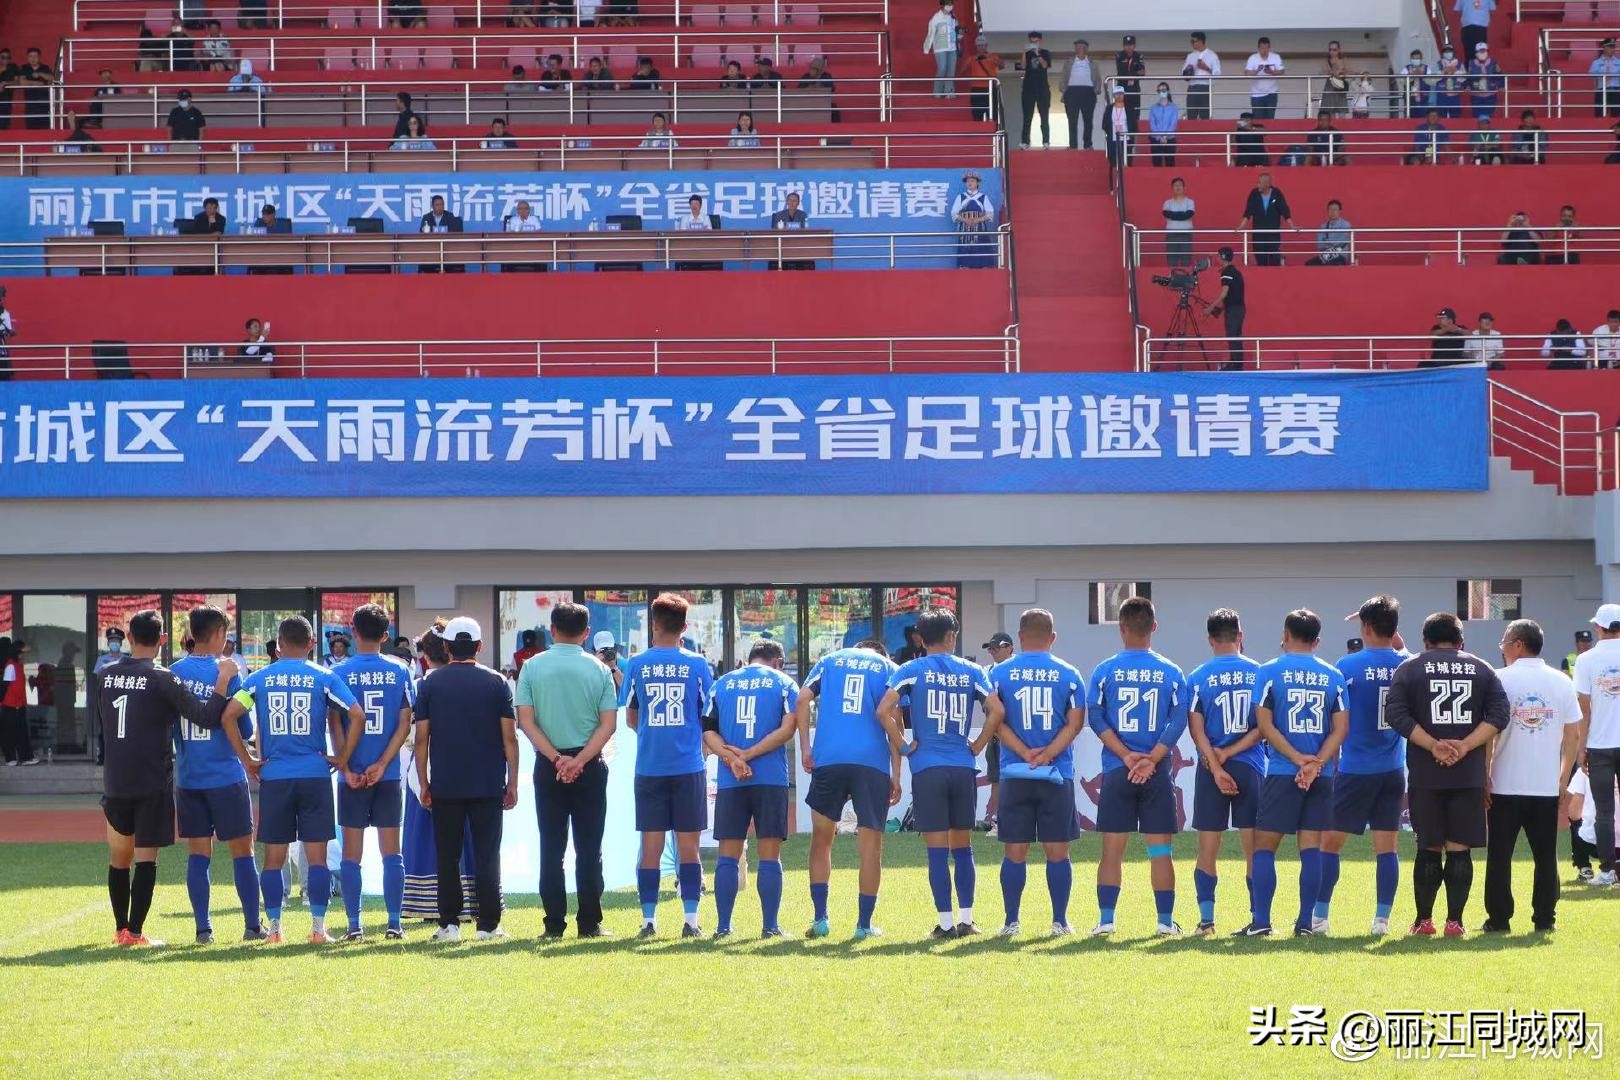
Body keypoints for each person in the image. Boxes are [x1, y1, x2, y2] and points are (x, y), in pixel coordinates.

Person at [220, 616, 364, 944]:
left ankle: (274, 930)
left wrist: (248, 761)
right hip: (314, 776)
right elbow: (356, 715)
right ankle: (317, 929)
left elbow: (229, 716)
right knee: (316, 858)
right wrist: (342, 759)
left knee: (274, 857)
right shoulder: (323, 676)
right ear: (312, 644)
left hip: (275, 778)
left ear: (279, 645)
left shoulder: (259, 679)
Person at [99, 610, 236, 947]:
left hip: (115, 780)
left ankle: (120, 929)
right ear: (162, 641)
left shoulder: (105, 676)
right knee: (146, 858)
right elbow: (204, 717)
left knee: (119, 858)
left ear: (129, 638)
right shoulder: (163, 678)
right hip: (151, 780)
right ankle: (134, 932)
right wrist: (222, 681)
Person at [1383, 611, 1509, 936]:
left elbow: (1395, 714)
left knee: (1428, 846)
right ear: (1461, 640)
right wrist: (1465, 745)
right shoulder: (1482, 668)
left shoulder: (1410, 668)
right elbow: (1500, 714)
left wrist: (1433, 745)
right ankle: (1456, 922)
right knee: (1459, 847)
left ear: (1425, 641)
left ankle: (1424, 921)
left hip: (1426, 772)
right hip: (1467, 775)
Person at [879, 610, 1002, 938]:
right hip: (962, 766)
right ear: (952, 636)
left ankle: (945, 924)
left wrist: (904, 747)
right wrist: (977, 743)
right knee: (963, 848)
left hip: (927, 768)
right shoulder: (973, 670)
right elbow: (997, 710)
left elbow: (883, 710)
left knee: (936, 850)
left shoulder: (911, 669)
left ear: (920, 638)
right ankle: (967, 920)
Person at [515, 600, 617, 939]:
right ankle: (589, 923)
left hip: (549, 765)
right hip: (590, 765)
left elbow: (525, 721)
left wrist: (556, 759)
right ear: (586, 633)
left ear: (552, 629)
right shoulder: (599, 669)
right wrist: (580, 760)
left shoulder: (532, 667)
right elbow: (608, 725)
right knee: (590, 849)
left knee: (552, 848)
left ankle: (554, 925)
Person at [1244, 610, 1350, 938]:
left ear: (1285, 634)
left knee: (1264, 846)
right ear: (1317, 641)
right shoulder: (1333, 676)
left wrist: (1295, 758)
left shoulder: (1269, 672)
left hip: (1280, 771)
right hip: (1321, 775)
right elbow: (1341, 728)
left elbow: (1264, 725)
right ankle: (1305, 923)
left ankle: (1261, 921)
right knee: (1311, 846)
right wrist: (1316, 762)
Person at [1086, 596, 1188, 936]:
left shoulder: (1104, 670)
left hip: (1118, 770)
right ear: (1154, 628)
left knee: (1112, 850)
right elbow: (1177, 722)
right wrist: (1151, 759)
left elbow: (1096, 717)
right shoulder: (1172, 672)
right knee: (1160, 851)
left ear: (1122, 628)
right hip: (1156, 772)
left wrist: (1127, 756)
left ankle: (1106, 920)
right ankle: (1163, 922)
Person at [414, 616, 518, 942]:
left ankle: (449, 925)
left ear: (446, 647)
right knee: (488, 854)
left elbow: (422, 739)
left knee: (448, 855)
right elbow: (509, 738)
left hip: (446, 783)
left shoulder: (429, 683)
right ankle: (488, 925)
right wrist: (512, 781)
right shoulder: (498, 682)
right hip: (488, 784)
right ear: (480, 646)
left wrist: (423, 781)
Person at [982, 610, 1083, 936]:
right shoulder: (1069, 674)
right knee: (1058, 851)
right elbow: (1076, 722)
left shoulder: (999, 674)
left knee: (1014, 850)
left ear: (1020, 637)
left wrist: (1025, 753)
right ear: (1053, 637)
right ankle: (1059, 921)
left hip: (1015, 772)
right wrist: (1049, 753)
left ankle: (1011, 921)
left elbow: (995, 721)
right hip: (1057, 773)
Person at [622, 594, 715, 938]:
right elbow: (707, 715)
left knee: (651, 846)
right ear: (685, 627)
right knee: (689, 846)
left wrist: (649, 731)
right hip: (689, 765)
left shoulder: (637, 664)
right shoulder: (698, 664)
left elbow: (631, 716)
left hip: (649, 767)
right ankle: (691, 920)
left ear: (654, 624)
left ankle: (649, 921)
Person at [1314, 597, 1407, 936]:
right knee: (1387, 848)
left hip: (1354, 769)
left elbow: (1336, 717)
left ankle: (1320, 917)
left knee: (1330, 844)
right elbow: (1401, 648)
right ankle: (1381, 920)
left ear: (1365, 628)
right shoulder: (1406, 663)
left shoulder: (1347, 666)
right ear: (1394, 629)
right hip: (1393, 769)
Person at [170, 606, 262, 944]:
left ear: (192, 633)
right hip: (226, 775)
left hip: (189, 779)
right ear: (220, 634)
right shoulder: (230, 671)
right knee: (243, 852)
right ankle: (253, 925)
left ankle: (203, 929)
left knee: (198, 854)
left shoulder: (173, 672)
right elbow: (245, 726)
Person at [797, 639, 900, 939]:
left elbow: (803, 699)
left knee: (821, 840)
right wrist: (897, 773)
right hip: (872, 763)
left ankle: (820, 920)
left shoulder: (829, 661)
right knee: (870, 846)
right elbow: (895, 721)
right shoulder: (888, 667)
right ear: (881, 652)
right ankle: (863, 926)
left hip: (829, 758)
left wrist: (805, 748)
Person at [1485, 619, 1581, 933]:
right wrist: (1563, 778)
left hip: (1504, 782)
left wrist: (1485, 775)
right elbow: (1573, 735)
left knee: (1500, 855)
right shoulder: (1561, 681)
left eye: (1504, 641)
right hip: (1545, 784)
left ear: (1517, 644)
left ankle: (1499, 919)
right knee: (1545, 855)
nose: (1501, 647)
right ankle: (1544, 919)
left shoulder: (1499, 679)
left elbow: (1489, 735)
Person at [702, 639, 799, 938]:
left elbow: (707, 730)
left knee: (727, 854)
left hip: (732, 780)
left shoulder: (722, 684)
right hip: (769, 778)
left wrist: (732, 758)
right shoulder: (784, 683)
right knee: (770, 854)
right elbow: (787, 730)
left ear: (749, 658)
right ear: (778, 661)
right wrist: (749, 754)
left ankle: (723, 927)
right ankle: (770, 926)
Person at [328, 604, 414, 941]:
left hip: (351, 776)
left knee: (352, 854)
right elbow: (404, 723)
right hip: (387, 774)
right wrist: (382, 763)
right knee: (392, 852)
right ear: (386, 634)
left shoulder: (338, 672)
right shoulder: (400, 669)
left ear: (352, 631)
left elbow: (334, 722)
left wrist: (346, 766)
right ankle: (394, 923)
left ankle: (354, 925)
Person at [1185, 609, 1263, 936]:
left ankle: (1206, 920)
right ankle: (1258, 918)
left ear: (1209, 639)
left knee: (1207, 847)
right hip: (1251, 765)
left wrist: (1216, 765)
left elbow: (1196, 729)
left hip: (1210, 768)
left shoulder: (1199, 676)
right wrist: (1231, 752)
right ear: (1240, 636)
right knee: (1254, 849)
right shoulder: (1260, 673)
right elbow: (1264, 727)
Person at [1574, 602, 1620, 887]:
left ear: (1599, 628)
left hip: (1600, 745)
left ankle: (1606, 871)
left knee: (1604, 810)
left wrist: (1582, 749)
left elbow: (1584, 708)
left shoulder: (1587, 659)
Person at [1238, 172, 1293, 267]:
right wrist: (1241, 226)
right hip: (1258, 236)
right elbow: (1248, 211)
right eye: (1258, 182)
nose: (1257, 185)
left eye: (1260, 183)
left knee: (1275, 263)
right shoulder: (1254, 193)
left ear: (1267, 184)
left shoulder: (1277, 193)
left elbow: (1284, 210)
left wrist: (1292, 226)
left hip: (1273, 236)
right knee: (1261, 263)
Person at [1206, 246, 1246, 370]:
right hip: (1238, 308)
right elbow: (1233, 294)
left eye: (1218, 256)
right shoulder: (1236, 271)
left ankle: (1235, 364)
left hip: (1234, 310)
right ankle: (1237, 363)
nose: (1217, 258)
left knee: (1232, 336)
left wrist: (1210, 307)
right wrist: (1221, 308)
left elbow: (1224, 293)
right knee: (1236, 337)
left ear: (1223, 257)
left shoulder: (1227, 272)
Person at [0, 639, 37, 766]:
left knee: (22, 732)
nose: (23, 655)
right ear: (17, 652)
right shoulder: (10, 665)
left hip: (19, 705)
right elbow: (6, 685)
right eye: (21, 653)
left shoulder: (18, 665)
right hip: (11, 705)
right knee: (9, 732)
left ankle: (26, 757)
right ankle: (11, 759)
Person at [1060, 39, 1100, 151]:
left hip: (1088, 92)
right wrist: (1064, 91)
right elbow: (1063, 77)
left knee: (1088, 120)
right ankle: (1073, 145)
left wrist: (1096, 90)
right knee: (1072, 120)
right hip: (1072, 92)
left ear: (1087, 49)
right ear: (1075, 49)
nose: (1080, 49)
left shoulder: (1092, 63)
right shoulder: (1068, 62)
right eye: (1077, 47)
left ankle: (1088, 144)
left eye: (1082, 47)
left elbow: (1098, 78)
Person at [951, 171, 997, 269]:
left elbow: (990, 213)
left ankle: (984, 268)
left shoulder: (983, 197)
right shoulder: (961, 197)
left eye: (972, 181)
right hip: (965, 230)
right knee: (965, 248)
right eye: (968, 181)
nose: (970, 183)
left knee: (981, 247)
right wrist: (965, 220)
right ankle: (964, 267)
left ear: (977, 183)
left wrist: (978, 219)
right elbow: (954, 213)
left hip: (980, 229)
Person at [1018, 31, 1052, 149]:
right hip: (1028, 89)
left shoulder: (1045, 53)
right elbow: (1022, 66)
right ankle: (1025, 141)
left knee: (1044, 116)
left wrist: (1037, 53)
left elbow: (1045, 65)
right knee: (1027, 116)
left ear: (1040, 41)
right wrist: (1023, 52)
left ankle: (1046, 141)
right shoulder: (1027, 54)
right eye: (1031, 42)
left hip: (1042, 89)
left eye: (1036, 42)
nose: (1034, 44)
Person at [923, 1, 959, 100]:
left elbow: (956, 30)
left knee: (951, 69)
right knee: (942, 68)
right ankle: (937, 91)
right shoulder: (936, 18)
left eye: (951, 4)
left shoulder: (953, 17)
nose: (950, 6)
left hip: (952, 47)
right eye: (948, 4)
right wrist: (927, 47)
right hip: (940, 48)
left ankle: (949, 91)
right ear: (942, 6)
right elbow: (930, 34)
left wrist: (959, 35)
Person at [418, 194, 463, 273]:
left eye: (442, 204)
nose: (440, 207)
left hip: (447, 250)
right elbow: (421, 234)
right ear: (432, 206)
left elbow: (454, 233)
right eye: (437, 205)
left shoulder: (449, 216)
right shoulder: (426, 217)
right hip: (431, 250)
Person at [1182, 32, 1220, 120]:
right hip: (1192, 87)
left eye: (1193, 41)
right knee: (1191, 115)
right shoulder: (1190, 56)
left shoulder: (1212, 56)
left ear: (1201, 41)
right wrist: (1188, 71)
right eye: (1191, 41)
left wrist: (1206, 68)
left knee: (1205, 115)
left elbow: (1217, 74)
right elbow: (1183, 75)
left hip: (1205, 87)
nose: (1191, 43)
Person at [1244, 37, 1285, 119]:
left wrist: (1272, 72)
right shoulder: (1253, 58)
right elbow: (1247, 73)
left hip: (1272, 93)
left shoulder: (1275, 57)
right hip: (1257, 94)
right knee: (1258, 119)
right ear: (1258, 48)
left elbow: (1282, 71)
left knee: (1270, 118)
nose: (1264, 50)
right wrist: (1257, 70)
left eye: (1266, 48)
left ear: (1269, 48)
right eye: (1262, 48)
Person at [964, 36, 1001, 124]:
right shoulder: (971, 58)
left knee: (993, 114)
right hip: (976, 89)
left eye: (983, 45)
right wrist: (971, 61)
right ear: (976, 47)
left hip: (991, 88)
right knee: (977, 115)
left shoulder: (993, 56)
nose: (982, 48)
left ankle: (993, 132)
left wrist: (990, 59)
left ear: (986, 46)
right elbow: (962, 71)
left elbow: (1002, 65)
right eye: (979, 46)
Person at [1115, 34, 1146, 133]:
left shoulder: (1138, 56)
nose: (1129, 47)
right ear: (1123, 46)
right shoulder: (1119, 55)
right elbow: (1122, 72)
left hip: (1134, 89)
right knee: (1121, 115)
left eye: (1131, 44)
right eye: (1127, 45)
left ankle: (1133, 143)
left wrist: (1132, 74)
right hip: (1122, 90)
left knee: (1135, 116)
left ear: (1134, 46)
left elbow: (1143, 72)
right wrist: (1135, 73)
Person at [16, 47, 53, 130]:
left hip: (44, 102)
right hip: (30, 103)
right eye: (30, 56)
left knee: (45, 128)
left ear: (39, 57)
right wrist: (38, 83)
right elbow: (22, 82)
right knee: (31, 128)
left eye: (35, 56)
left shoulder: (45, 67)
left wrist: (40, 74)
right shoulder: (24, 68)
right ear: (27, 58)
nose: (33, 59)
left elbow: (51, 78)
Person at [1162, 177, 1195, 269]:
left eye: (1180, 185)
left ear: (1184, 187)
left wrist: (1174, 215)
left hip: (1186, 234)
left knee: (1186, 261)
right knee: (1172, 261)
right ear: (1172, 188)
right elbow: (1166, 214)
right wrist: (1181, 214)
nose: (1178, 187)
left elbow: (1188, 215)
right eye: (1175, 185)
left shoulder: (1190, 202)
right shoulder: (1167, 202)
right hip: (1171, 235)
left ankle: (1186, 281)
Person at [1305, 200, 1351, 266]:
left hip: (1340, 256)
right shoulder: (1323, 226)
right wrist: (1332, 243)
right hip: (1325, 257)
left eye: (1335, 209)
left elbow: (1341, 242)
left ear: (1340, 211)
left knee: (1330, 265)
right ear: (1327, 211)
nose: (1332, 212)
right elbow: (1320, 245)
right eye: (1330, 209)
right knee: (1309, 264)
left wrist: (1327, 242)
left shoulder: (1345, 225)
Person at [1466, 43, 1502, 121]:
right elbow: (1468, 77)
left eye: (1484, 51)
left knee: (1488, 119)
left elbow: (1500, 76)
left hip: (1490, 95)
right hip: (1476, 96)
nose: (1482, 53)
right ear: (1476, 53)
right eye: (1480, 51)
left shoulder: (1493, 62)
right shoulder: (1471, 63)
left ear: (1487, 52)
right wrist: (1468, 86)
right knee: (1477, 118)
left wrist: (1501, 86)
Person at [1148, 83, 1179, 167]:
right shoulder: (1153, 107)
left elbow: (1173, 124)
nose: (1161, 92)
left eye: (1164, 90)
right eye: (1159, 90)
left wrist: (1165, 136)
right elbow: (1152, 124)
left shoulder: (1174, 107)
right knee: (1156, 164)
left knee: (1170, 164)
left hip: (1170, 139)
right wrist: (1159, 137)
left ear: (1168, 91)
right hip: (1156, 139)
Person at [1319, 42, 1350, 118]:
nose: (1332, 52)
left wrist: (1335, 72)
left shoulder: (1343, 60)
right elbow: (1322, 72)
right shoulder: (1326, 61)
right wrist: (1334, 72)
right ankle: (1333, 129)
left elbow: (1348, 71)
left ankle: (1342, 129)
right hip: (1330, 87)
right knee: (1330, 114)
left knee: (1342, 113)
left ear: (1339, 50)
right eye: (1330, 49)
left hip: (1340, 87)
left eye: (1334, 50)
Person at [1594, 38, 1620, 117]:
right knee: (1600, 113)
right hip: (1602, 88)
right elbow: (1592, 74)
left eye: (1613, 47)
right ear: (1604, 48)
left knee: (1616, 113)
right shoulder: (1597, 62)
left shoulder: (1618, 61)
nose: (1612, 49)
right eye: (1610, 47)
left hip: (1616, 88)